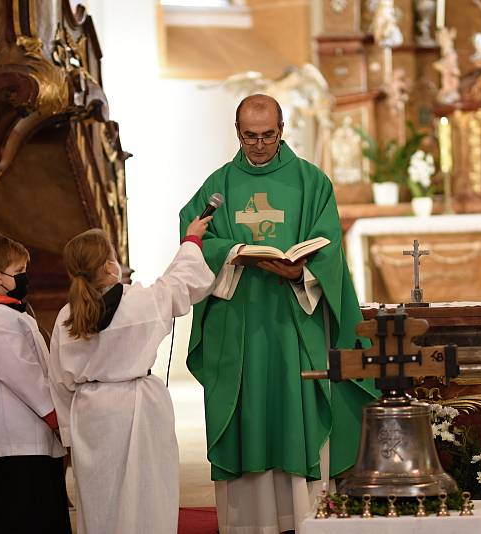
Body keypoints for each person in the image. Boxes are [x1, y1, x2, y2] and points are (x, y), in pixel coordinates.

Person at [179, 94, 377, 533]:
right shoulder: (220, 184)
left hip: (295, 322)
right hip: (241, 327)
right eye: (250, 136)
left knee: (297, 406)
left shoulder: (311, 181)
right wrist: (232, 252)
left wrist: (299, 271)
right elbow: (193, 237)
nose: (260, 144)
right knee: (248, 413)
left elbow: (328, 244)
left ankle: (304, 518)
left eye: (268, 135)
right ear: (237, 133)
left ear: (282, 129)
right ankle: (252, 523)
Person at [47, 220, 214, 534]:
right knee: (147, 491)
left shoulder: (66, 317)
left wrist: (69, 432)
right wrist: (192, 239)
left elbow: (59, 379)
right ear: (110, 265)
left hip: (91, 414)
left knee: (100, 496)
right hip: (138, 405)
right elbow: (180, 283)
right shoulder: (139, 302)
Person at [0, 233, 70, 534]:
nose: (25, 278)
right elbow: (22, 373)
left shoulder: (6, 312)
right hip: (15, 439)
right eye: (19, 272)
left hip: (25, 435)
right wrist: (54, 414)